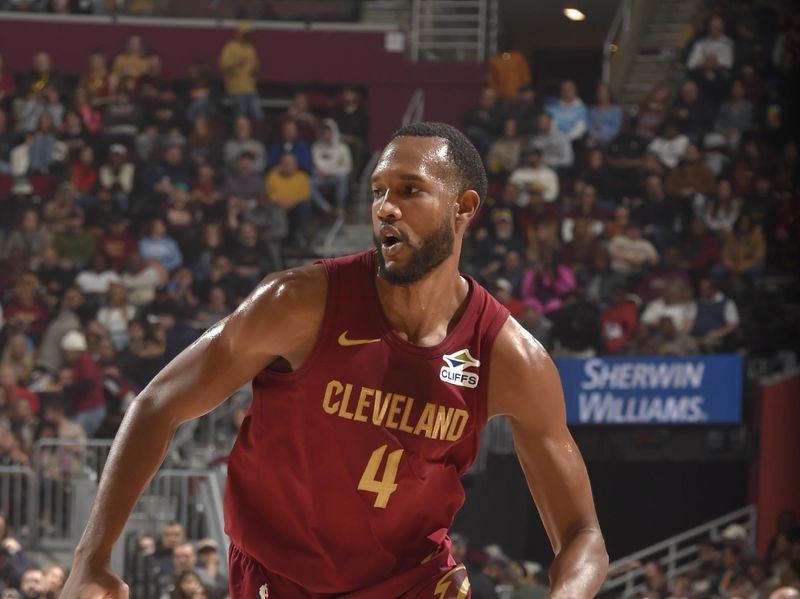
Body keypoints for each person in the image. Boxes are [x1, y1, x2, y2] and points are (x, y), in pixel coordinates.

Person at [62, 122, 607, 599]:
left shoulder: (509, 357)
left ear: (463, 208)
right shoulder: (297, 303)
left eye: (410, 191)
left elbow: (583, 535)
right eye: (378, 192)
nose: (385, 207)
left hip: (414, 584)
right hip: (281, 576)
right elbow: (157, 402)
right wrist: (93, 557)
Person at [218, 22, 262, 121]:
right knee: (240, 115)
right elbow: (223, 66)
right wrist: (237, 62)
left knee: (258, 115)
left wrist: (255, 72)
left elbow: (256, 66)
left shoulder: (250, 48)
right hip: (236, 90)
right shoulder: (230, 47)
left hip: (251, 89)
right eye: (246, 33)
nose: (248, 36)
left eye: (249, 33)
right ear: (239, 33)